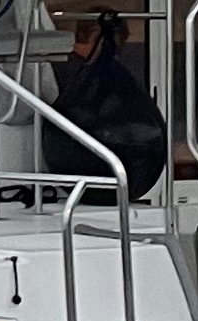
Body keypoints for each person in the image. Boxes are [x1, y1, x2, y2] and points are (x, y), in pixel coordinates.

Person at [50, 10, 169, 199]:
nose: (118, 49)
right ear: (96, 36)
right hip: (87, 162)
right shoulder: (71, 70)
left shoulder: (68, 69)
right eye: (117, 41)